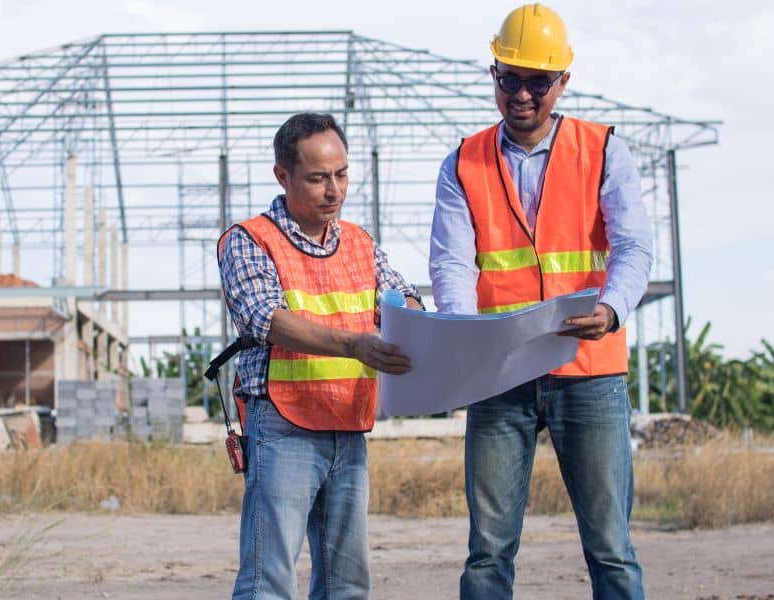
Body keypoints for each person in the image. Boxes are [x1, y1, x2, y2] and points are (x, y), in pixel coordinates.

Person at [428, 4, 651, 599]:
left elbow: (633, 248)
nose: (522, 95)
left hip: (589, 369)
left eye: (538, 82)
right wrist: (460, 336)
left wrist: (610, 311)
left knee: (610, 548)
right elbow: (452, 264)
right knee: (488, 554)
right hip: (499, 374)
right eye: (509, 79)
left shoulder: (603, 150)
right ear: (494, 73)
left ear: (563, 82)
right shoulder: (463, 162)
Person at [219, 111, 423, 599]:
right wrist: (354, 343)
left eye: (341, 174)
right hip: (282, 425)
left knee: (346, 583)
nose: (334, 190)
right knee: (269, 580)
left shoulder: (359, 243)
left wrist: (411, 315)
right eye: (317, 178)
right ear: (283, 176)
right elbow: (264, 318)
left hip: (348, 426)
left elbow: (401, 295)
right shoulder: (249, 240)